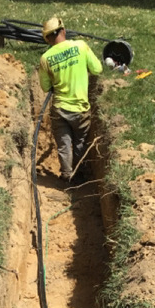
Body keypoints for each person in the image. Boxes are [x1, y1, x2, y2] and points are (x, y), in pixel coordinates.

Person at [38, 16, 103, 184]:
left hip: (60, 109)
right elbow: (97, 69)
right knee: (80, 142)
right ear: (64, 31)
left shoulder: (45, 58)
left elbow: (45, 87)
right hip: (80, 109)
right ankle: (79, 175)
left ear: (47, 38)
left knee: (64, 144)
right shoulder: (81, 46)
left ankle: (67, 175)